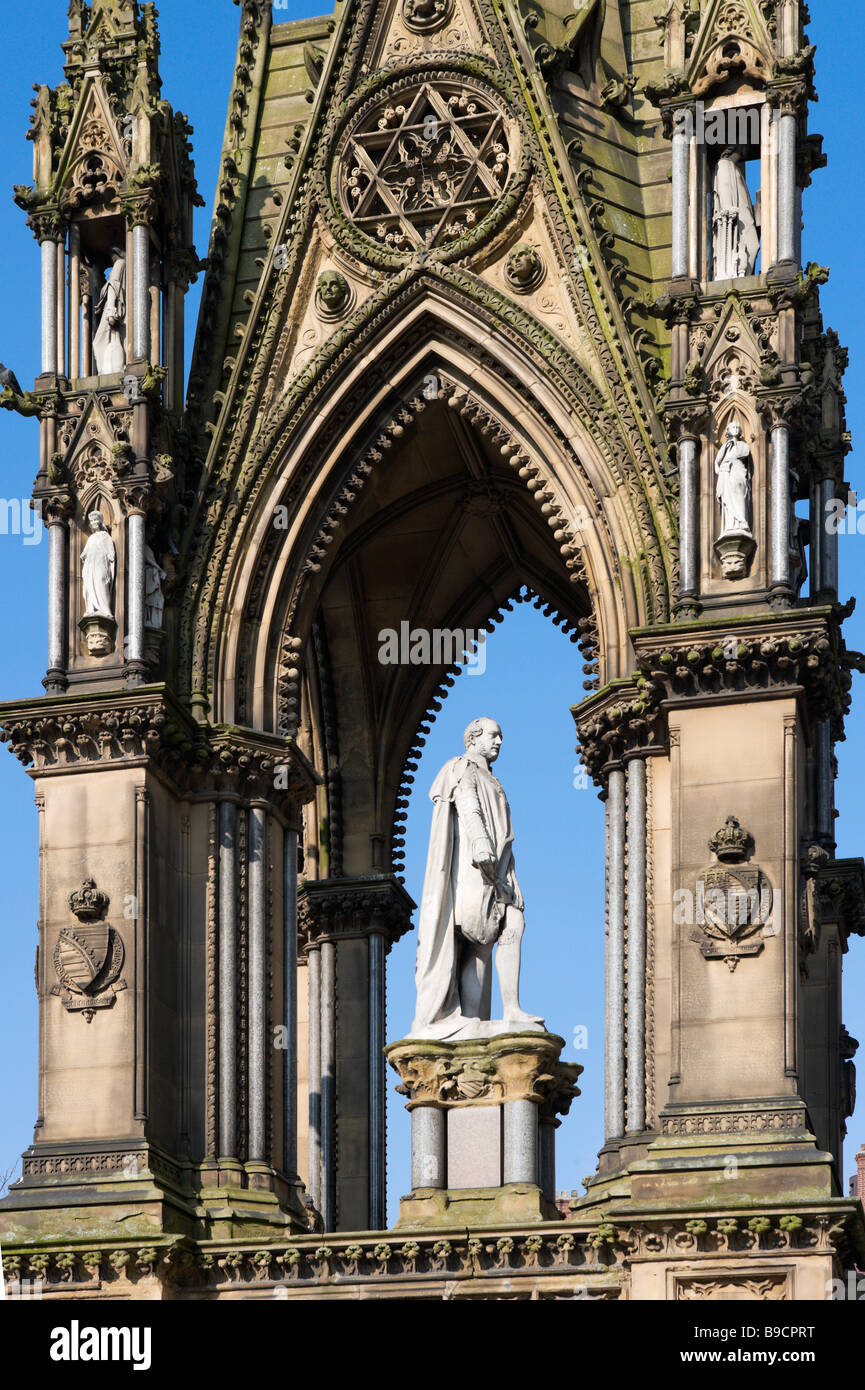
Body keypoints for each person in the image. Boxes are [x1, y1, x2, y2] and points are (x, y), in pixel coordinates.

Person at [411, 716, 544, 1039]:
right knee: (480, 938)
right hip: (472, 866)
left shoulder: (493, 779)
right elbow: (467, 804)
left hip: (502, 868)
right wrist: (480, 841)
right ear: (473, 737)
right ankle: (471, 1016)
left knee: (513, 925)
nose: (498, 742)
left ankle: (510, 1008)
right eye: (493, 735)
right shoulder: (461, 767)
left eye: (501, 737)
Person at [92, 246, 126, 375]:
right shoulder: (123, 265)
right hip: (115, 306)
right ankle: (108, 370)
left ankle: (107, 371)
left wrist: (111, 308)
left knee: (100, 341)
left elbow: (113, 284)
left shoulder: (120, 263)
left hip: (113, 308)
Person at [81, 511, 116, 619]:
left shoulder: (105, 536)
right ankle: (92, 608)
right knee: (90, 585)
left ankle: (105, 609)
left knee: (101, 581)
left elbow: (111, 553)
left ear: (100, 522)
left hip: (101, 564)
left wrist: (110, 556)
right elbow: (84, 553)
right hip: (90, 565)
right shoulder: (91, 538)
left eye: (96, 520)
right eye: (92, 521)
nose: (94, 522)